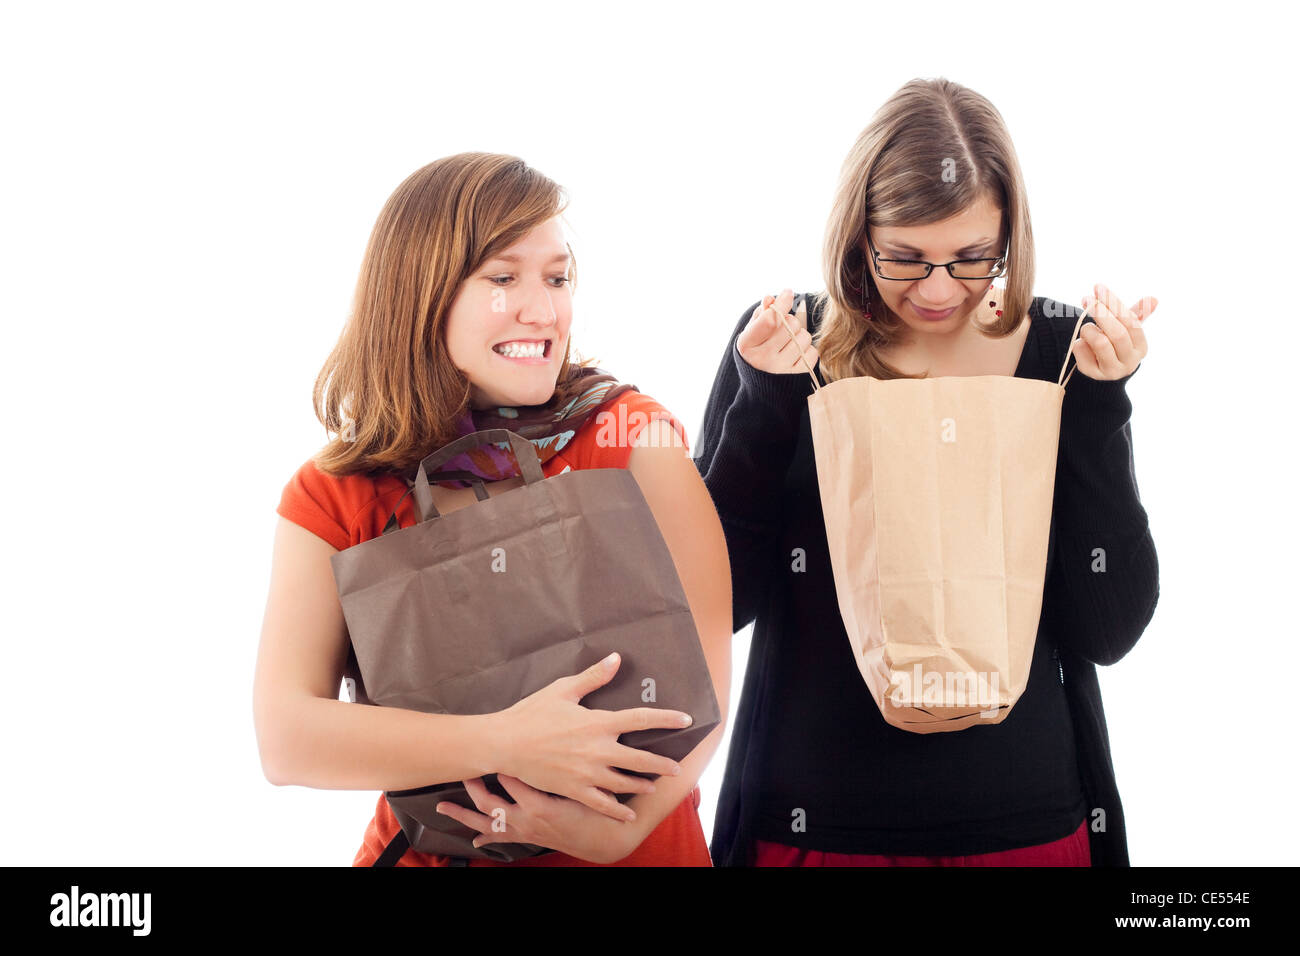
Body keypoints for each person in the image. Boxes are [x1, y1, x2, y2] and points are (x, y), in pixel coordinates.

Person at [695, 78, 1160, 866]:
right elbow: (716, 605)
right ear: (855, 235)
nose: (939, 290)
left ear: (1011, 235)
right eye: (904, 259)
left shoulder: (1059, 350)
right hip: (813, 828)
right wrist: (765, 405)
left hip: (1030, 826)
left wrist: (1098, 407)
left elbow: (1109, 630)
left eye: (974, 258)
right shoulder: (784, 339)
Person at [254, 152, 731, 866]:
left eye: (558, 277)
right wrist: (508, 740)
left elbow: (708, 689)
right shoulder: (335, 493)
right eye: (504, 279)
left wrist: (621, 832)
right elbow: (287, 737)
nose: (542, 309)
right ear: (422, 295)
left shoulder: (631, 438)